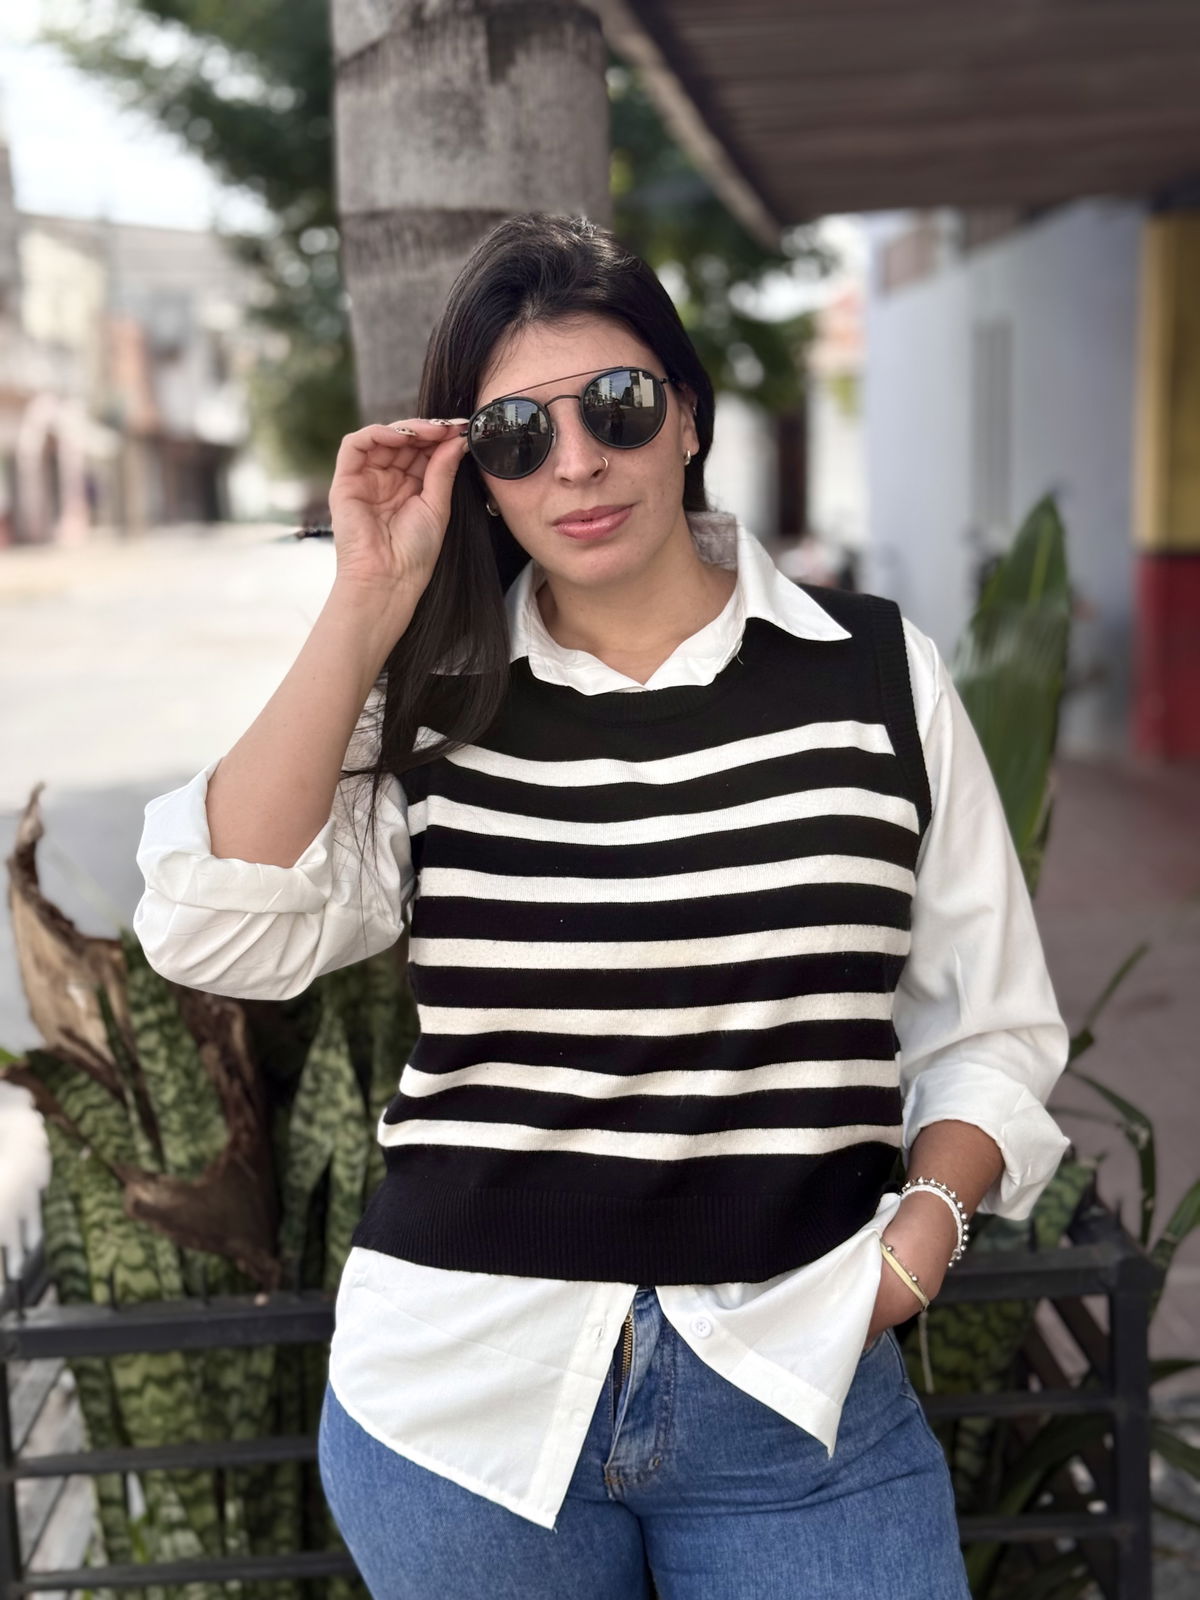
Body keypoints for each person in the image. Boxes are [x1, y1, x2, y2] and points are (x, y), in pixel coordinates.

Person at [132, 212, 1070, 1600]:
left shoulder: (876, 673)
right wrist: (367, 601)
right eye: (516, 433)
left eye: (616, 406)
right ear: (480, 474)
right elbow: (213, 930)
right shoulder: (435, 703)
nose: (574, 460)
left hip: (801, 1385)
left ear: (685, 414)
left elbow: (991, 1027)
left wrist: (918, 1244)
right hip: (468, 1408)